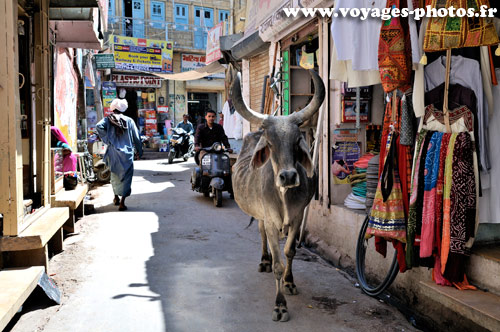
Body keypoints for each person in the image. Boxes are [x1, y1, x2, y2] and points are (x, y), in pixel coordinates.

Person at [96, 98, 143, 211]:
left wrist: (108, 140)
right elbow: (136, 138)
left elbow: (98, 126)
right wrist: (139, 151)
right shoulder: (129, 120)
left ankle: (116, 197)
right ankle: (122, 203)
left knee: (114, 175)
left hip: (113, 152)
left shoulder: (108, 119)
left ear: (113, 108)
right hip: (127, 154)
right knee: (126, 178)